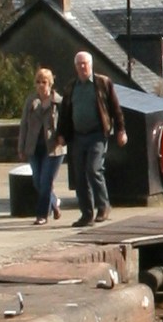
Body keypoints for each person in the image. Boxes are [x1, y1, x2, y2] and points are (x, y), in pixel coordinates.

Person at [62, 47, 112, 224]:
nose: (83, 67)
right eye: (79, 64)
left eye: (85, 63)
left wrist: (120, 130)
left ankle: (103, 206)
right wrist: (62, 134)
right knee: (80, 176)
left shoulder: (102, 83)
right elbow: (65, 113)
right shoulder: (71, 87)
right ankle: (86, 214)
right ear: (75, 67)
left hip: (97, 134)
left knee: (93, 169)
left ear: (91, 65)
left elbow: (115, 108)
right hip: (77, 136)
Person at [19, 64, 61, 222]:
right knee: (37, 181)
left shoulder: (58, 102)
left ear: (50, 83)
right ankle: (54, 201)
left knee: (45, 181)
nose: (40, 85)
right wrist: (21, 147)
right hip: (34, 147)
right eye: (38, 82)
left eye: (44, 82)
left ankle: (42, 215)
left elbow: (64, 123)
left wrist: (62, 137)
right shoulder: (31, 101)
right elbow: (24, 125)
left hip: (53, 149)